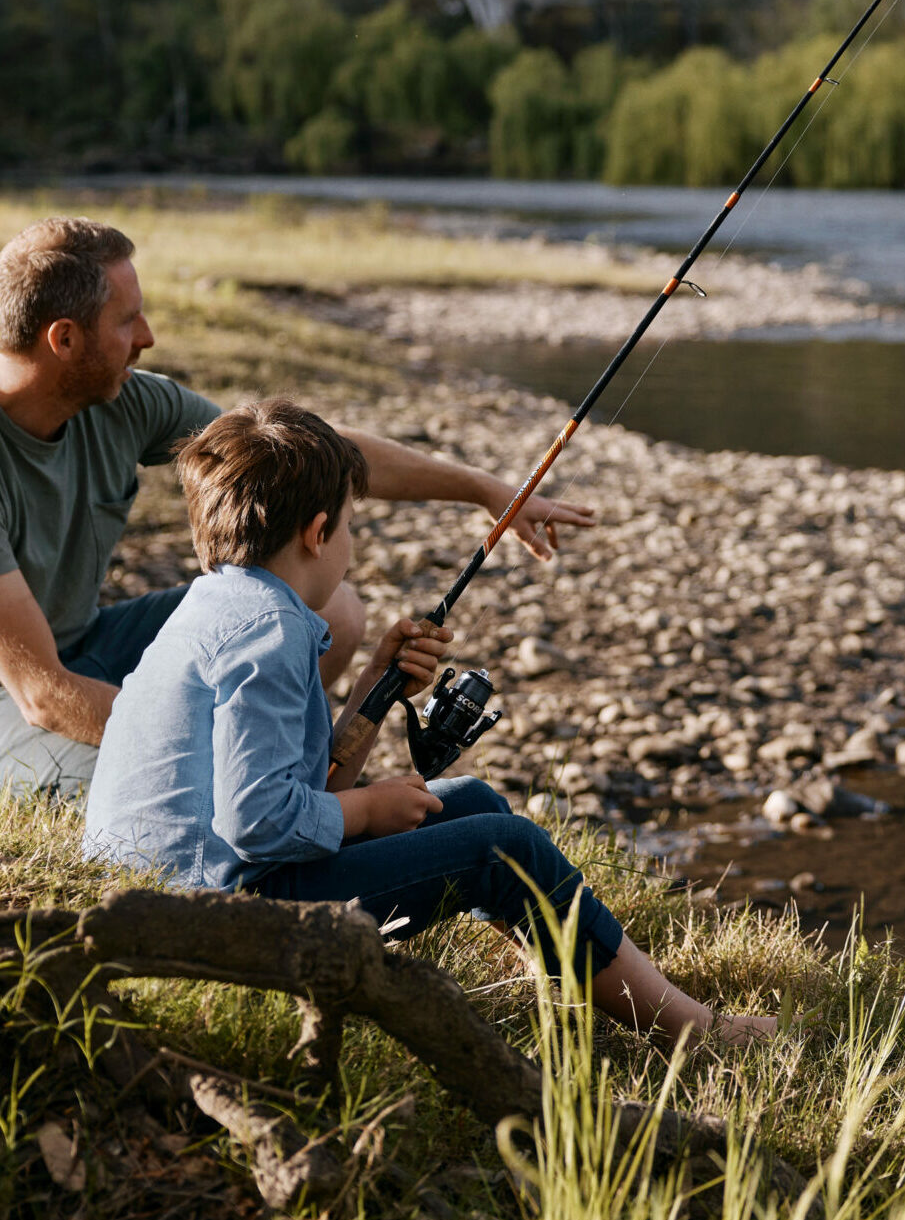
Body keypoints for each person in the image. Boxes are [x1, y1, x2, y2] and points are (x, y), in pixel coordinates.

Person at [83, 399, 774, 1045]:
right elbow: (258, 822)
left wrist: (374, 691)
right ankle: (692, 1030)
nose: (349, 540)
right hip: (213, 919)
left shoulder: (221, 606)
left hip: (175, 891)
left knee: (469, 800)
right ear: (318, 532)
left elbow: (298, 784)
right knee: (502, 845)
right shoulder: (270, 630)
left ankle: (573, 970)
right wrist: (364, 809)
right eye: (349, 524)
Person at [0, 216, 590, 794]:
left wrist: (488, 491)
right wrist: (225, 743)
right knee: (171, 783)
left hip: (92, 642)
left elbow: (303, 454)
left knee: (332, 611)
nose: (149, 336)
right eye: (128, 320)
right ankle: (274, 788)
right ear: (65, 339)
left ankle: (289, 786)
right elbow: (43, 693)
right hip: (18, 695)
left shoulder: (125, 401)